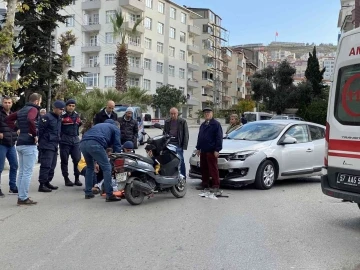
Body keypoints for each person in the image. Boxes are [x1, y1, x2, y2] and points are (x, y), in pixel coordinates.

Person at [6, 93, 42, 205]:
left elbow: (8, 119)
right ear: (37, 101)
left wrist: (17, 128)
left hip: (20, 143)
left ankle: (21, 196)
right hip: (29, 144)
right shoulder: (33, 109)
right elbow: (31, 120)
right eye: (40, 101)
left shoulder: (22, 110)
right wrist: (34, 133)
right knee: (27, 172)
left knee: (22, 172)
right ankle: (23, 197)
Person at [79, 119, 122, 202]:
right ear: (117, 126)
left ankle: (88, 193)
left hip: (83, 144)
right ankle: (109, 194)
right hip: (95, 143)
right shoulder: (115, 127)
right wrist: (117, 159)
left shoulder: (98, 126)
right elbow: (117, 145)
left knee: (90, 167)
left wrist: (95, 162)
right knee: (107, 167)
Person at [37, 100, 65, 192]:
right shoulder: (46, 117)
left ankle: (47, 182)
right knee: (46, 165)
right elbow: (40, 130)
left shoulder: (58, 118)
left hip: (54, 144)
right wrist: (41, 143)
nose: (61, 111)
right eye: (60, 109)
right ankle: (42, 184)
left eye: (62, 109)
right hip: (46, 144)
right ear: (55, 108)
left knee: (52, 165)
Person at [195, 107, 223, 193]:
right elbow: (200, 137)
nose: (207, 114)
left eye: (208, 112)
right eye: (205, 113)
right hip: (203, 149)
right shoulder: (203, 125)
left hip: (211, 150)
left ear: (212, 114)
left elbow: (219, 138)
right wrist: (198, 148)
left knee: (213, 168)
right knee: (204, 168)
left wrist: (217, 149)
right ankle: (205, 183)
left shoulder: (216, 124)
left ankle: (215, 185)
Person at [60, 99, 82, 187]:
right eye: (69, 106)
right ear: (66, 106)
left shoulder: (77, 115)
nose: (71, 107)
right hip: (65, 141)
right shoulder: (62, 116)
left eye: (73, 106)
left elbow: (79, 125)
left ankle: (77, 178)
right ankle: (66, 179)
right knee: (64, 161)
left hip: (75, 140)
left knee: (77, 160)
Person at [0, 96, 18, 197]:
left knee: (14, 165)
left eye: (9, 102)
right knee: (0, 167)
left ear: (12, 103)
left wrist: (17, 131)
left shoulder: (13, 115)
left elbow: (16, 126)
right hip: (1, 144)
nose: (7, 104)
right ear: (2, 103)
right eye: (5, 102)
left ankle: (13, 187)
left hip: (11, 144)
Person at [163, 107, 189, 178]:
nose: (173, 115)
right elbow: (164, 133)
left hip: (178, 144)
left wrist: (184, 146)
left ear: (177, 114)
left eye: (174, 114)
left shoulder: (182, 121)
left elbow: (186, 134)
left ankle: (183, 177)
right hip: (169, 144)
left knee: (180, 160)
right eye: (171, 114)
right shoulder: (167, 122)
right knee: (169, 160)